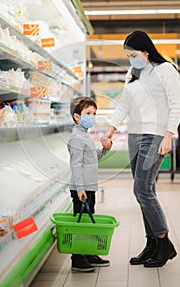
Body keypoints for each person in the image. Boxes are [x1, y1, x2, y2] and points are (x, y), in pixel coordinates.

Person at [103, 30, 180, 268]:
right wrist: (111, 128)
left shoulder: (166, 70)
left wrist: (169, 136)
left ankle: (164, 242)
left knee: (142, 190)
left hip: (156, 134)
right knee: (146, 190)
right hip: (135, 135)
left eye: (134, 54)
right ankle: (152, 244)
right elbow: (124, 103)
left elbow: (176, 105)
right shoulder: (133, 72)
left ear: (146, 51)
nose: (131, 59)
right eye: (128, 55)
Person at [68, 96, 112, 272]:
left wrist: (105, 148)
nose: (92, 117)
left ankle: (88, 253)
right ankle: (78, 258)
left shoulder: (85, 135)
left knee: (88, 221)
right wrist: (80, 189)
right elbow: (76, 165)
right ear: (77, 116)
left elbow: (93, 158)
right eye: (88, 113)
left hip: (89, 186)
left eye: (94, 113)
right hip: (82, 189)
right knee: (81, 223)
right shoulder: (77, 138)